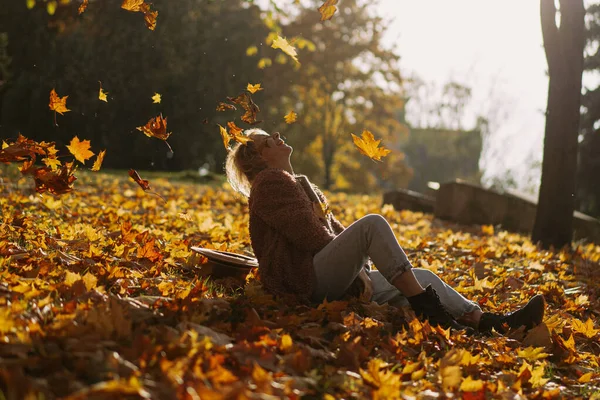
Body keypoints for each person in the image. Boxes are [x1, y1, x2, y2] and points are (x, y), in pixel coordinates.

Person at [224, 129, 545, 333]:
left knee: (425, 277)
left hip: (323, 275)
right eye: (269, 141)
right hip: (304, 279)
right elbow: (309, 235)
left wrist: (359, 269)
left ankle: (488, 322)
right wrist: (357, 272)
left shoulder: (297, 184)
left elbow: (331, 230)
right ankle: (427, 309)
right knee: (373, 224)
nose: (278, 136)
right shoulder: (269, 182)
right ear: (260, 158)